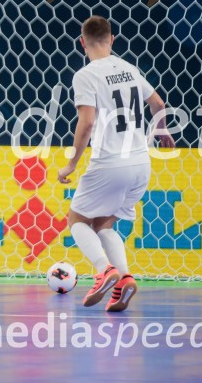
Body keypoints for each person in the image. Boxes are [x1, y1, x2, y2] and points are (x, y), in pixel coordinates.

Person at [57, 16, 174, 312]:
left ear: (82, 42)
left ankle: (103, 270)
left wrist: (71, 164)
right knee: (104, 223)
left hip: (109, 162)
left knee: (77, 221)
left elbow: (87, 122)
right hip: (140, 164)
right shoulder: (130, 68)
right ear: (112, 39)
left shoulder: (86, 75)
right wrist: (161, 131)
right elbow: (158, 104)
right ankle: (123, 279)